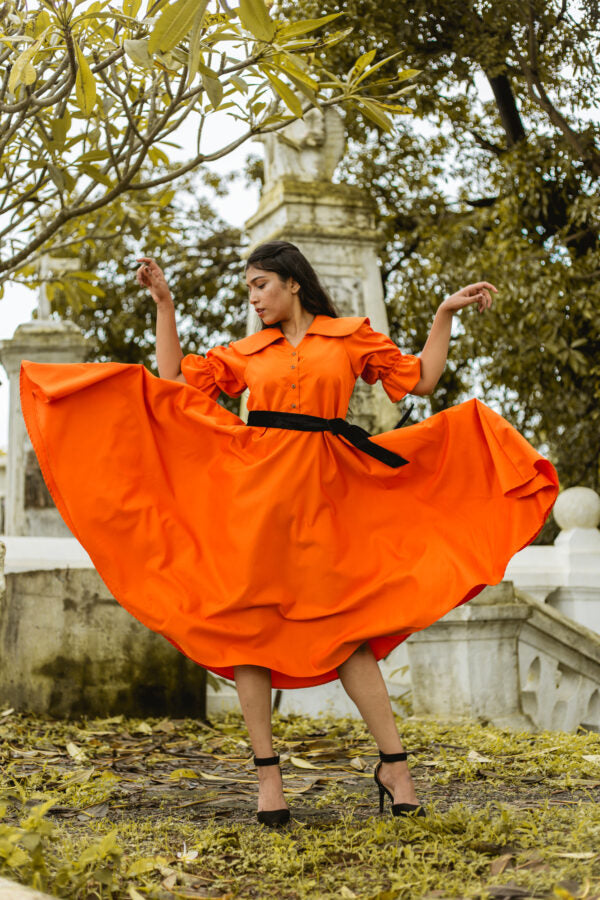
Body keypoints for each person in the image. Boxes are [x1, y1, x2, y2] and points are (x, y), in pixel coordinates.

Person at [20, 240, 558, 827]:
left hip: (330, 496)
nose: (253, 298)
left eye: (260, 285)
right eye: (248, 289)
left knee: (348, 627)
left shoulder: (349, 336)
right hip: (257, 496)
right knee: (248, 630)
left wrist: (444, 314)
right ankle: (268, 780)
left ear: (292, 282)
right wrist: (165, 304)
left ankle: (395, 766)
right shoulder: (249, 351)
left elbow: (422, 381)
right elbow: (173, 379)